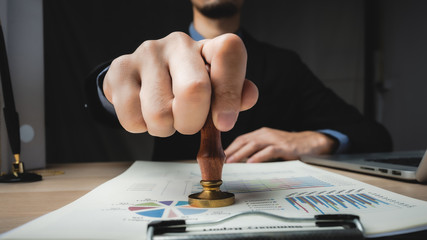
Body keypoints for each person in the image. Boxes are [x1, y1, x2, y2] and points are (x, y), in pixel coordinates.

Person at [85, 0, 392, 163]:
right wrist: (109, 85)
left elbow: (375, 137)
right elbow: (100, 102)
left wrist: (314, 140)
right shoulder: (152, 53)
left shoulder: (284, 64)